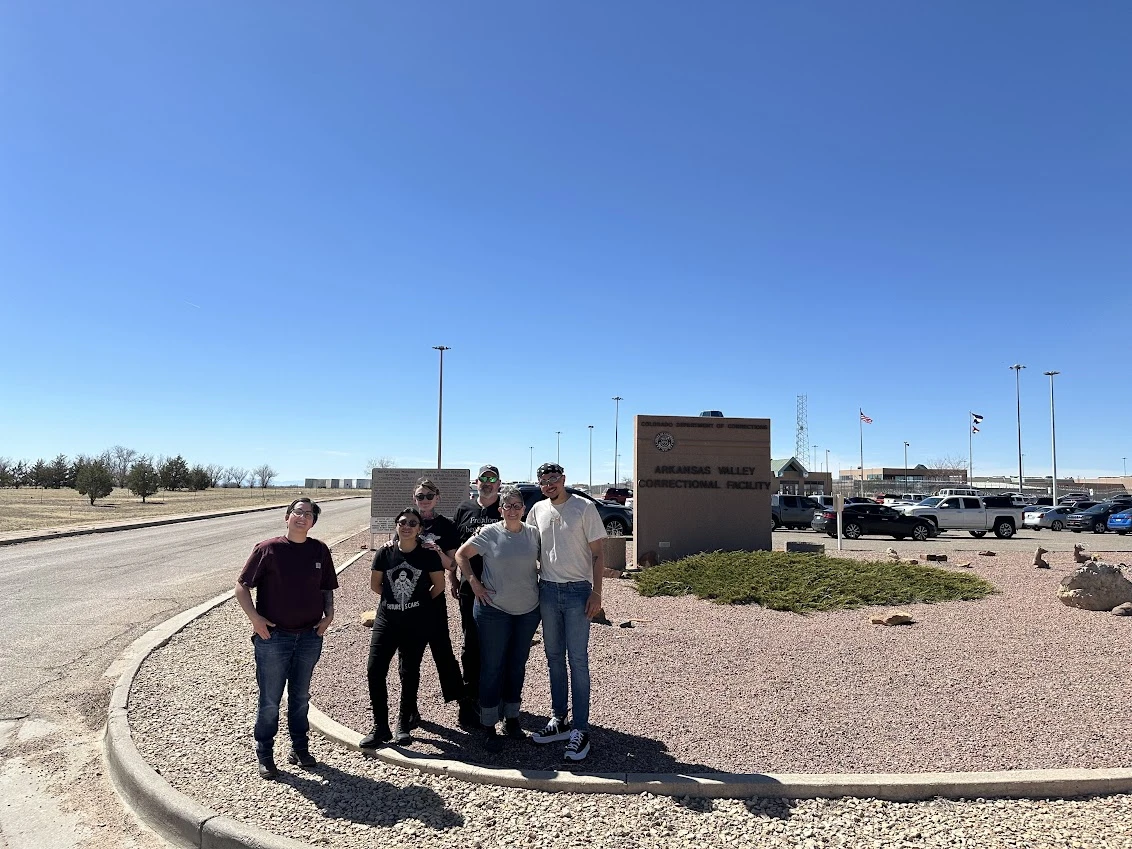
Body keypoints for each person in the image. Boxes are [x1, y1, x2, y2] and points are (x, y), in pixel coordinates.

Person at [234, 498, 336, 779]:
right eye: (298, 513)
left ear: (313, 521)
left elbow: (327, 587)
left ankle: (299, 748)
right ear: (287, 516)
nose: (302, 518)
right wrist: (255, 620)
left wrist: (329, 615)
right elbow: (242, 587)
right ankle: (265, 752)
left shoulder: (320, 550)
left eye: (309, 514)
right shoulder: (268, 549)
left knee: (301, 697)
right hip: (273, 638)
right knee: (270, 699)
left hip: (309, 637)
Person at [525, 463, 606, 762]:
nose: (549, 485)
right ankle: (560, 718)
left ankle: (581, 729)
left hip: (577, 592)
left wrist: (596, 593)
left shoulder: (584, 508)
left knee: (578, 659)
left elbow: (598, 553)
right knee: (554, 657)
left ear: (564, 480)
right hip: (547, 589)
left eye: (553, 479)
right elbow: (528, 547)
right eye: (543, 481)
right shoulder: (537, 510)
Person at [454, 485, 542, 753]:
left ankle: (512, 718)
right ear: (500, 509)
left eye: (517, 506)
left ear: (523, 509)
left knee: (517, 665)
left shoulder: (534, 535)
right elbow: (461, 555)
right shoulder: (490, 533)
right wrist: (474, 583)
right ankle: (489, 723)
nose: (513, 510)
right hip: (494, 611)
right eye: (508, 506)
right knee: (492, 667)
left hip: (527, 611)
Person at [361, 507, 445, 748]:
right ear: (396, 526)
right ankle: (380, 726)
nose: (406, 526)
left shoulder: (427, 555)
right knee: (375, 670)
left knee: (409, 672)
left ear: (419, 529)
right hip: (387, 620)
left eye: (412, 523)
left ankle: (403, 723)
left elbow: (438, 586)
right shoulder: (384, 554)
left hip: (416, 622)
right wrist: (395, 601)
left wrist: (417, 602)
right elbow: (376, 585)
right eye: (402, 522)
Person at [393, 478, 465, 726]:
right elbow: (394, 555)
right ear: (414, 499)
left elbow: (452, 564)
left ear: (437, 497)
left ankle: (462, 704)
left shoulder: (446, 525)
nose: (424, 500)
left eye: (428, 496)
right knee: (408, 657)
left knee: (443, 651)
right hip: (407, 600)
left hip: (433, 596)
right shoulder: (407, 521)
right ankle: (409, 708)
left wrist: (435, 550)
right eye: (420, 496)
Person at [451, 464, 503, 727]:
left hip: (500, 589)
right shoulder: (464, 509)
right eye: (484, 478)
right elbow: (455, 549)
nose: (488, 483)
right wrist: (452, 578)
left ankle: (496, 701)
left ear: (499, 483)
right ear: (477, 481)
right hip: (470, 587)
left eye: (492, 479)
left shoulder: (505, 510)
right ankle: (469, 700)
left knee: (496, 646)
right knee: (471, 644)